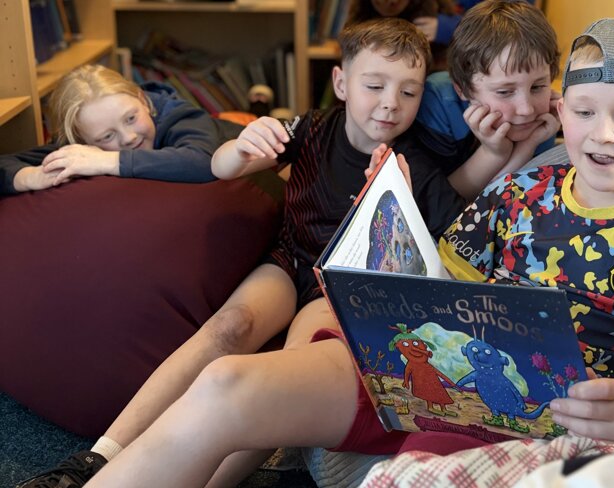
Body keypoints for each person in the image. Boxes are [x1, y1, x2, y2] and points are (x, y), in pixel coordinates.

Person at [73, 18, 614, 487]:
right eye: (584, 111)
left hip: (547, 425)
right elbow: (432, 287)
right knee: (225, 383)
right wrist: (386, 234)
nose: (603, 135)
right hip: (419, 379)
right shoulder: (519, 190)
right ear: (562, 110)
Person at [17, 17, 466, 488]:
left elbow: (445, 260)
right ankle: (98, 458)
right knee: (228, 326)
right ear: (341, 83)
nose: (390, 103)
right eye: (374, 86)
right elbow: (222, 167)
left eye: (409, 92)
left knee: (283, 380)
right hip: (290, 260)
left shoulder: (419, 166)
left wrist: (400, 203)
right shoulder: (312, 126)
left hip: (335, 287)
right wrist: (243, 145)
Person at [0, 64, 240, 195]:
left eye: (131, 118)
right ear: (82, 141)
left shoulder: (178, 116)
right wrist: (31, 177)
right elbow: (5, 163)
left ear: (142, 100)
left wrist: (107, 160)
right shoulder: (79, 144)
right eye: (107, 136)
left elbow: (204, 162)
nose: (129, 137)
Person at [416, 0, 561, 200]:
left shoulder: (543, 119)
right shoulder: (437, 103)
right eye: (504, 92)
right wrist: (493, 154)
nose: (526, 109)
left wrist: (528, 145)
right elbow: (438, 206)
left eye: (537, 87)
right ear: (463, 89)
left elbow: (506, 201)